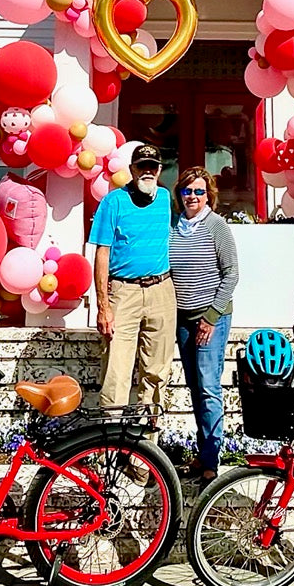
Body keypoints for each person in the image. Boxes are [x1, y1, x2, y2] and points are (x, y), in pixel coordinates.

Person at [90, 144, 176, 427]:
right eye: (142, 166)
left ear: (160, 170)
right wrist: (103, 306)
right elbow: (102, 253)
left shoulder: (166, 198)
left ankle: (146, 447)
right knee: (116, 372)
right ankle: (110, 443)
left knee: (157, 372)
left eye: (153, 166)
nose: (147, 171)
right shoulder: (113, 202)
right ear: (132, 169)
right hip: (123, 291)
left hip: (162, 290)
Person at [170, 166, 239, 485]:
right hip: (183, 320)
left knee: (209, 387)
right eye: (187, 191)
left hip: (211, 317)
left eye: (199, 191)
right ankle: (202, 453)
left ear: (208, 194)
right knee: (195, 387)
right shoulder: (174, 226)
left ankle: (211, 461)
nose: (193, 196)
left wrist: (211, 318)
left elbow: (231, 274)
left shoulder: (216, 226)